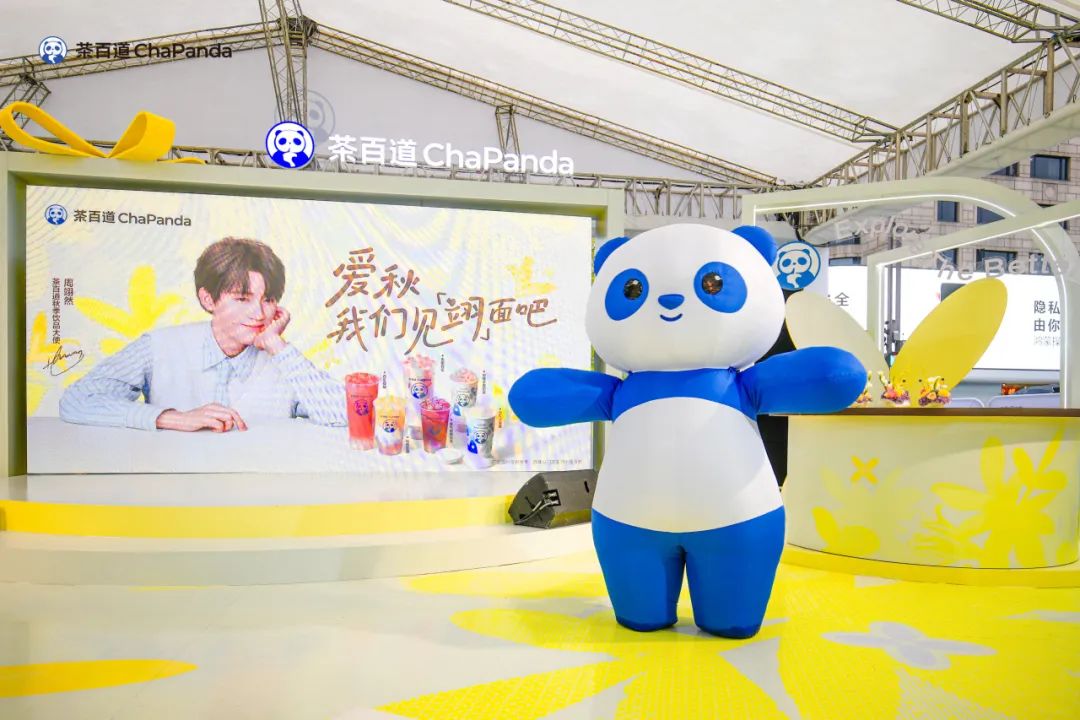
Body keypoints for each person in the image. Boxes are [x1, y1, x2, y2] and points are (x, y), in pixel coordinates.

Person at [60, 237, 346, 432]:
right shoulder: (160, 347)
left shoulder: (284, 360)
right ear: (208, 299)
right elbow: (76, 401)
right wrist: (170, 418)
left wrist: (277, 345)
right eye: (242, 299)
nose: (259, 314)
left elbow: (345, 414)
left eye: (269, 300)